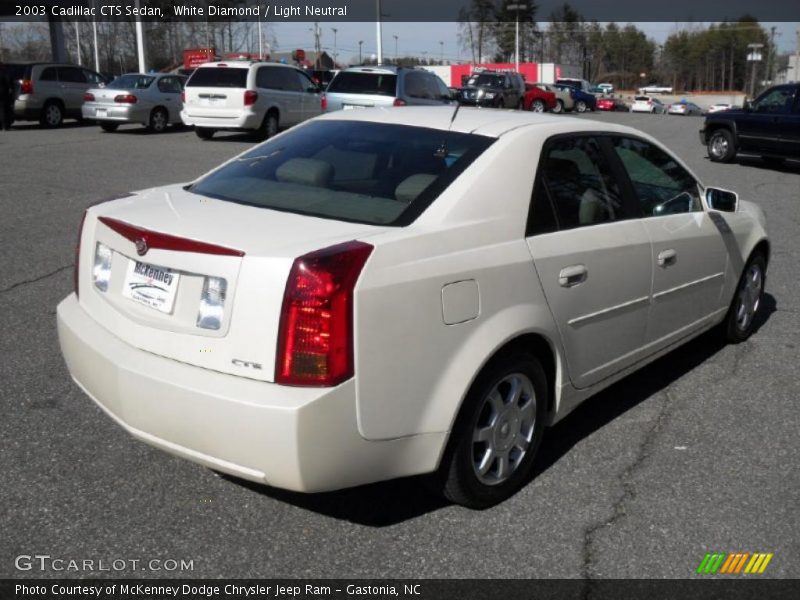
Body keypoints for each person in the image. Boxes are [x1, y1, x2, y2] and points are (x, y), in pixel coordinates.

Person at [0, 62, 14, 130]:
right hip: (3, 93)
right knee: (3, 109)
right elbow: (8, 81)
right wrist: (11, 87)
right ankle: (4, 125)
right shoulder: (3, 72)